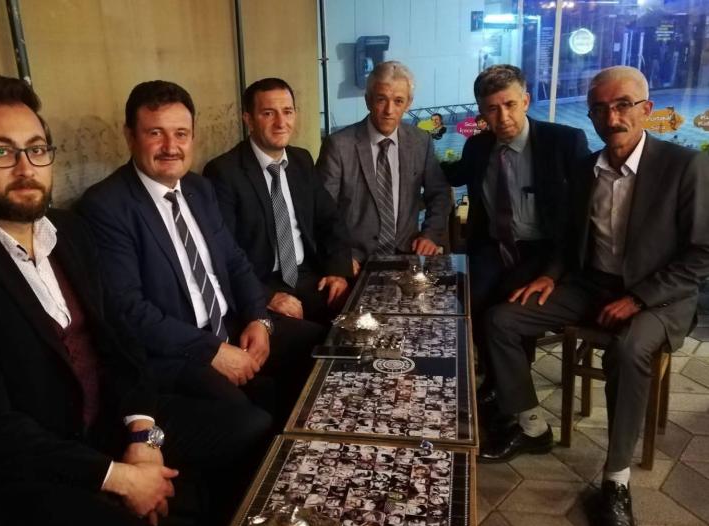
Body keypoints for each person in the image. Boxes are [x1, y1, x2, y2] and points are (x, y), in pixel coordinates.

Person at [0, 76, 271, 526]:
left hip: (103, 424)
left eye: (36, 149)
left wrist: (143, 435)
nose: (25, 167)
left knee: (252, 432)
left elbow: (120, 344)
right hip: (15, 471)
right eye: (1, 152)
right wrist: (117, 477)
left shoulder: (67, 231)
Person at [479, 66, 709, 526]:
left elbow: (701, 253)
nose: (612, 117)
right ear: (591, 116)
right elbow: (569, 240)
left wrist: (639, 297)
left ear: (646, 109)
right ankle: (531, 424)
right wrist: (550, 275)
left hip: (658, 297)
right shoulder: (586, 168)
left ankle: (616, 480)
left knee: (627, 350)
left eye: (623, 104)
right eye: (600, 108)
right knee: (502, 318)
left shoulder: (684, 166)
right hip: (591, 285)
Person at [77, 80, 323, 424]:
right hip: (178, 350)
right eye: (155, 134)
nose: (170, 147)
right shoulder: (106, 206)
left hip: (232, 323)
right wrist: (212, 351)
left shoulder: (199, 188)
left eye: (181, 134)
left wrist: (259, 319)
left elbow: (235, 262)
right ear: (130, 136)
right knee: (249, 419)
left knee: (319, 345)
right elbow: (128, 310)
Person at [445, 64, 589, 421]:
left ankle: (509, 396)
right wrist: (411, 157)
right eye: (492, 109)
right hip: (493, 246)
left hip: (544, 250)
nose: (503, 117)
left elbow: (581, 219)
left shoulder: (564, 142)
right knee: (467, 300)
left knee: (509, 303)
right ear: (481, 113)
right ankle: (494, 380)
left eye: (509, 104)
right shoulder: (478, 146)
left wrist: (555, 271)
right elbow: (453, 175)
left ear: (525, 100)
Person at [203, 78, 353, 324]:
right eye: (268, 113)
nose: (281, 123)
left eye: (287, 112)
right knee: (315, 338)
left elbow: (330, 220)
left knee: (364, 316)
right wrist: (266, 296)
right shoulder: (224, 172)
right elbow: (222, 251)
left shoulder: (301, 160)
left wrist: (337, 270)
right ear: (249, 120)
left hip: (308, 275)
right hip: (261, 283)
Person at [316, 60, 452, 274]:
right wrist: (339, 256)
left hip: (408, 257)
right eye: (381, 99)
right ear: (368, 100)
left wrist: (430, 234)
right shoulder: (338, 146)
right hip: (355, 262)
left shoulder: (420, 141)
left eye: (398, 101)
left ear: (408, 103)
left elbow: (440, 194)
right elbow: (322, 211)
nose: (389, 110)